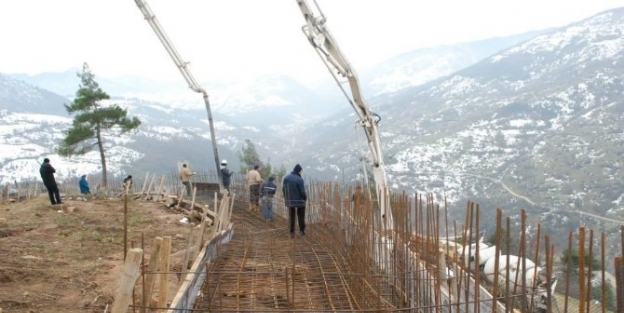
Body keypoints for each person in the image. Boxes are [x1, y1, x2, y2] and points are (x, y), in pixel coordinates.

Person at [282, 164, 307, 237]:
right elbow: (302, 192)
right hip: (299, 201)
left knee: (291, 215)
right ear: (299, 171)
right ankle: (302, 230)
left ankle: (291, 231)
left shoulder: (286, 178)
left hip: (290, 200)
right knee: (301, 215)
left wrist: (286, 198)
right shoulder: (299, 179)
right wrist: (305, 198)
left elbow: (284, 189)